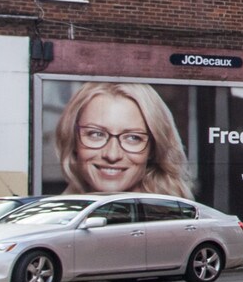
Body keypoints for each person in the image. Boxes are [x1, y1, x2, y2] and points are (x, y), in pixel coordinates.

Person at [54, 82, 193, 199]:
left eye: (133, 138)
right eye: (96, 134)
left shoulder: (174, 222)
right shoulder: (54, 217)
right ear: (73, 140)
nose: (112, 155)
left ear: (153, 148)